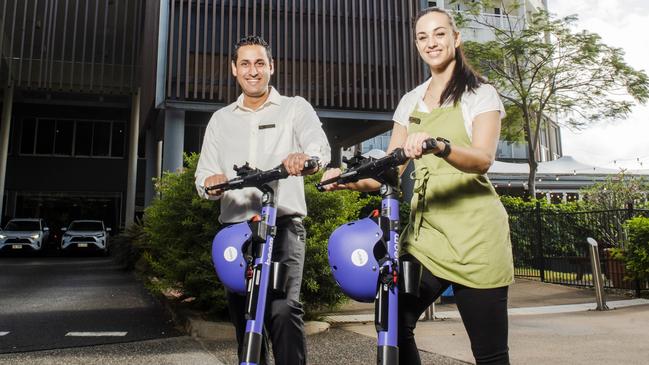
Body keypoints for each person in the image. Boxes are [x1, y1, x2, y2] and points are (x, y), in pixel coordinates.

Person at [321, 7, 513, 365]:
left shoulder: (480, 93)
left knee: (490, 355)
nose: (431, 42)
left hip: (476, 238)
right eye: (423, 37)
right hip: (426, 239)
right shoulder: (410, 101)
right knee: (392, 320)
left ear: (456, 39)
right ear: (416, 45)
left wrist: (439, 145)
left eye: (440, 34)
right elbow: (389, 171)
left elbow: (483, 158)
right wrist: (344, 181)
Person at [195, 35, 331, 365]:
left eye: (259, 63)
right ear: (233, 69)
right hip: (236, 232)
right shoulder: (221, 119)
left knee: (283, 310)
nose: (252, 71)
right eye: (245, 63)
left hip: (282, 227)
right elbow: (203, 177)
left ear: (271, 66)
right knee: (245, 319)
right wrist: (211, 183)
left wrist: (306, 160)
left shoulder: (295, 108)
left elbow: (319, 150)